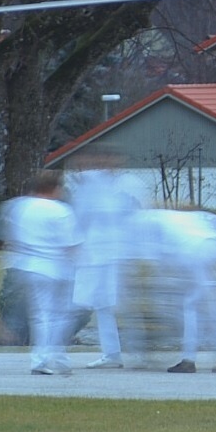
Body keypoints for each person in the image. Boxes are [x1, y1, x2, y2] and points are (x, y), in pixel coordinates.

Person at [68, 152, 147, 369]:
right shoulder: (93, 184)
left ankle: (137, 352)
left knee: (120, 305)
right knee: (103, 305)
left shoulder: (120, 185)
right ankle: (113, 353)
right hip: (101, 255)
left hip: (112, 255)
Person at [0, 171, 80, 375]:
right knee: (61, 314)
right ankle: (55, 355)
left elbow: (9, 237)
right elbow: (71, 245)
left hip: (27, 265)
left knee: (41, 314)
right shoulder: (60, 211)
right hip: (54, 267)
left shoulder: (18, 206)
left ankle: (42, 358)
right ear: (56, 188)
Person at [144, 209, 216, 374]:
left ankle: (192, 360)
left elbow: (161, 259)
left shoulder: (148, 221)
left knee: (192, 305)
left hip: (197, 250)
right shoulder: (170, 216)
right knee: (209, 304)